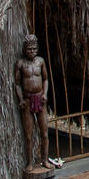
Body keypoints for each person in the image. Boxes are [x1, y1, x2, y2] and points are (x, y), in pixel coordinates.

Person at [14, 34, 53, 169]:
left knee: (44, 133)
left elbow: (46, 79)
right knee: (29, 135)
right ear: (25, 50)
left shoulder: (40, 62)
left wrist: (45, 94)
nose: (32, 51)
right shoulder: (20, 64)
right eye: (29, 49)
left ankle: (45, 160)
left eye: (34, 49)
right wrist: (20, 99)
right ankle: (30, 162)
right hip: (27, 99)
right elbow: (17, 84)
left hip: (40, 98)